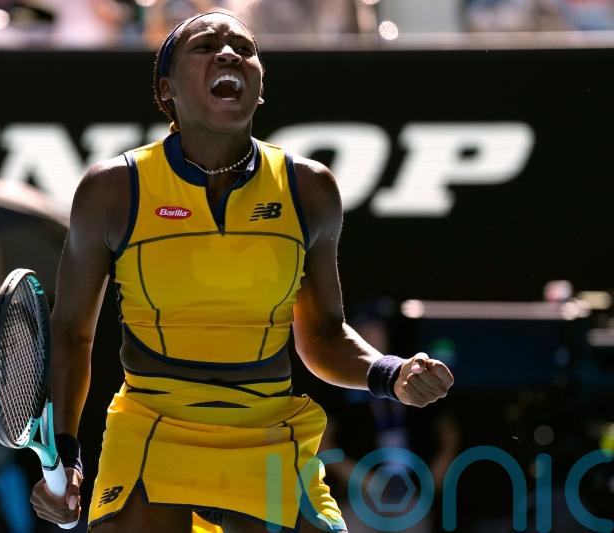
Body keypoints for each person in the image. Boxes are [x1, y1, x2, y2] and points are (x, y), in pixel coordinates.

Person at [29, 11, 454, 533]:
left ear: (259, 86)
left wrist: (390, 373)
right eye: (205, 46)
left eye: (243, 48)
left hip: (268, 429)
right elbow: (72, 332)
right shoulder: (111, 190)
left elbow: (321, 335)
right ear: (167, 89)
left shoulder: (310, 189)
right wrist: (67, 453)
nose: (228, 54)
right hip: (153, 427)